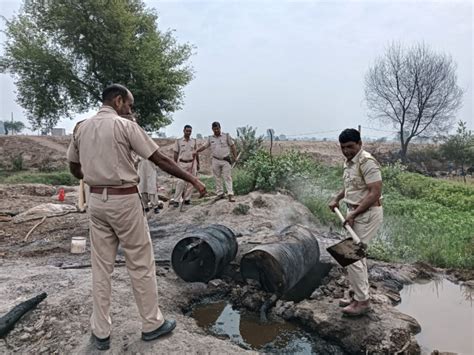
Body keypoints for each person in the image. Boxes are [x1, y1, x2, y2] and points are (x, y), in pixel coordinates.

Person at [67, 84, 206, 350]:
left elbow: (74, 167)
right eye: (129, 105)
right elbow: (161, 160)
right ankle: (152, 324)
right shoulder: (126, 127)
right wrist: (193, 180)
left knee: (101, 267)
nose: (130, 110)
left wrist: (95, 178)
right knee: (140, 263)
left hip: (96, 201)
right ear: (118, 101)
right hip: (124, 201)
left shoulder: (81, 128)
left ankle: (101, 333)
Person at [328, 128, 383, 317]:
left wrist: (354, 214)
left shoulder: (367, 162)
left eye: (350, 147)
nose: (347, 151)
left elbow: (374, 192)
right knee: (354, 256)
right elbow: (349, 186)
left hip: (368, 214)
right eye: (343, 148)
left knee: (351, 256)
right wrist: (337, 199)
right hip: (354, 212)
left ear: (360, 143)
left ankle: (363, 301)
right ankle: (357, 293)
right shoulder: (349, 163)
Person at [195, 121, 238, 202]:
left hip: (225, 160)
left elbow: (233, 146)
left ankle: (230, 194)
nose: (216, 131)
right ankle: (220, 193)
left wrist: (235, 157)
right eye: (214, 129)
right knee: (217, 177)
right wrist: (196, 151)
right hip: (215, 160)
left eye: (217, 129)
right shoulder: (210, 138)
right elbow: (204, 146)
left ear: (220, 128)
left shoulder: (226, 136)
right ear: (212, 129)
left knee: (227, 177)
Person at [170, 125, 199, 207]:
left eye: (190, 131)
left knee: (191, 182)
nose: (188, 133)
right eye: (187, 131)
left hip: (192, 163)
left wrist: (198, 164)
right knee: (180, 182)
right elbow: (175, 153)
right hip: (182, 164)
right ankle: (176, 200)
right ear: (184, 131)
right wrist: (174, 164)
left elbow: (196, 153)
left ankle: (187, 199)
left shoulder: (194, 141)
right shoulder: (178, 141)